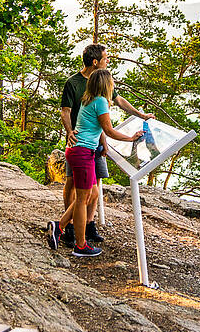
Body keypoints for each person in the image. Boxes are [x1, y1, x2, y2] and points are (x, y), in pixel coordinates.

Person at [57, 43, 153, 247]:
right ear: (95, 62)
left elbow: (118, 102)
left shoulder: (92, 92)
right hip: (80, 146)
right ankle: (75, 238)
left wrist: (141, 115)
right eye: (106, 58)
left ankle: (73, 225)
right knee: (77, 189)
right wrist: (131, 138)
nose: (108, 61)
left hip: (90, 146)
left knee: (92, 190)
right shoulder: (79, 86)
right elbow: (70, 113)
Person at [47, 69, 143, 257]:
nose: (113, 84)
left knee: (92, 193)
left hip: (82, 152)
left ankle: (59, 226)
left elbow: (99, 129)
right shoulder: (99, 101)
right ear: (106, 84)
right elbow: (109, 130)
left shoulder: (88, 98)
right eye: (112, 82)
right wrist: (131, 138)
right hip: (82, 153)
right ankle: (80, 245)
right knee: (83, 199)